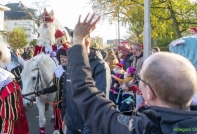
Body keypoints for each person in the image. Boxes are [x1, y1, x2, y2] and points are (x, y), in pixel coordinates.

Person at [67, 14, 197, 134]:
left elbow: (86, 94)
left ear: (150, 92)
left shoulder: (139, 129)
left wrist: (78, 40)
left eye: (141, 79)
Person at [38, 47, 68, 134]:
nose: (63, 59)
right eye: (61, 56)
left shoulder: (72, 71)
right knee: (62, 129)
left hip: (69, 106)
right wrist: (42, 91)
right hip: (58, 105)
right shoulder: (57, 70)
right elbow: (55, 87)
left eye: (65, 57)